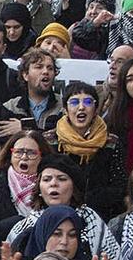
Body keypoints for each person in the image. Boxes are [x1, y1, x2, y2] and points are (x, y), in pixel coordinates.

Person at [50, 80, 126, 216]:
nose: (81, 107)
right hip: (59, 212)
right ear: (65, 109)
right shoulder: (51, 141)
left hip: (100, 214)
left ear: (96, 109)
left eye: (88, 102)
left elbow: (118, 187)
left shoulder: (110, 142)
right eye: (74, 102)